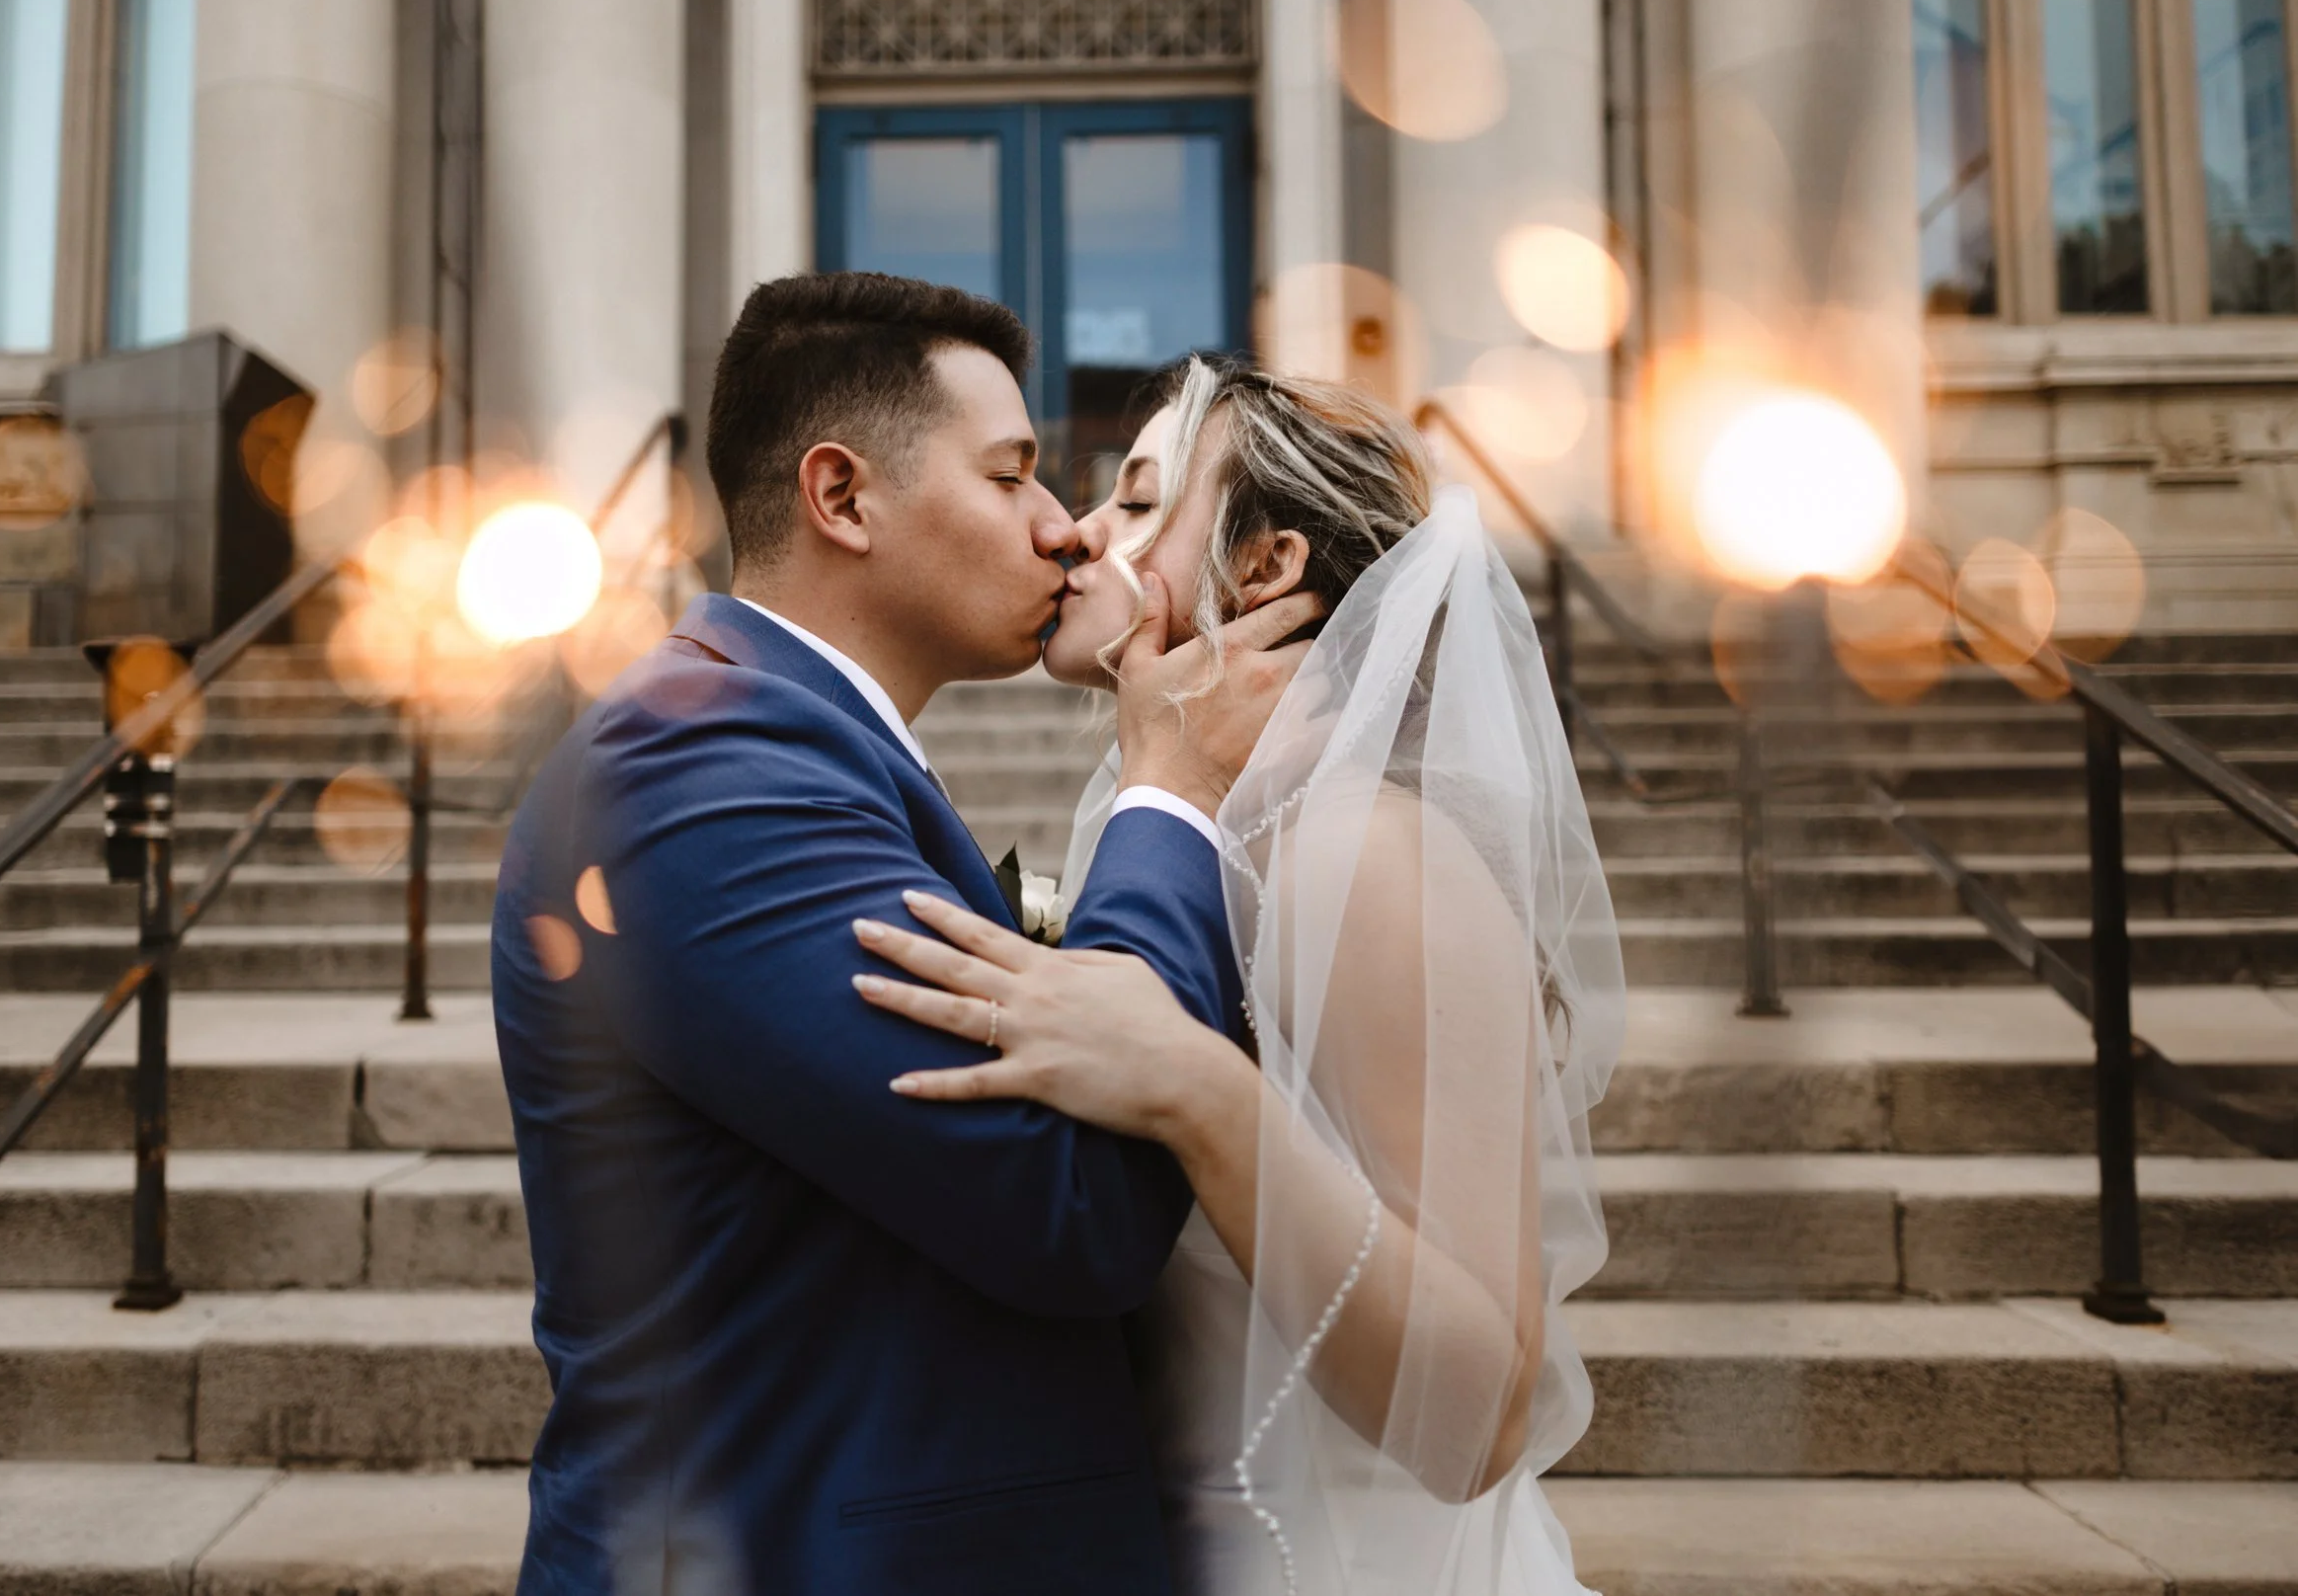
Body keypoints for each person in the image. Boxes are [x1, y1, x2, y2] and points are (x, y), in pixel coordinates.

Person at [491, 278, 1322, 1595]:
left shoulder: (804, 750)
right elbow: (1071, 1199)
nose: (1064, 530)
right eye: (1013, 476)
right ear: (842, 496)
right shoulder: (697, 770)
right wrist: (1172, 791)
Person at [848, 357, 1625, 1595]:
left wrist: (1199, 1089)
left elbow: (1479, 1414)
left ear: (1263, 567)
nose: (1075, 529)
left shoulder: (1357, 850)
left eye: (1140, 501)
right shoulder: (1191, 829)